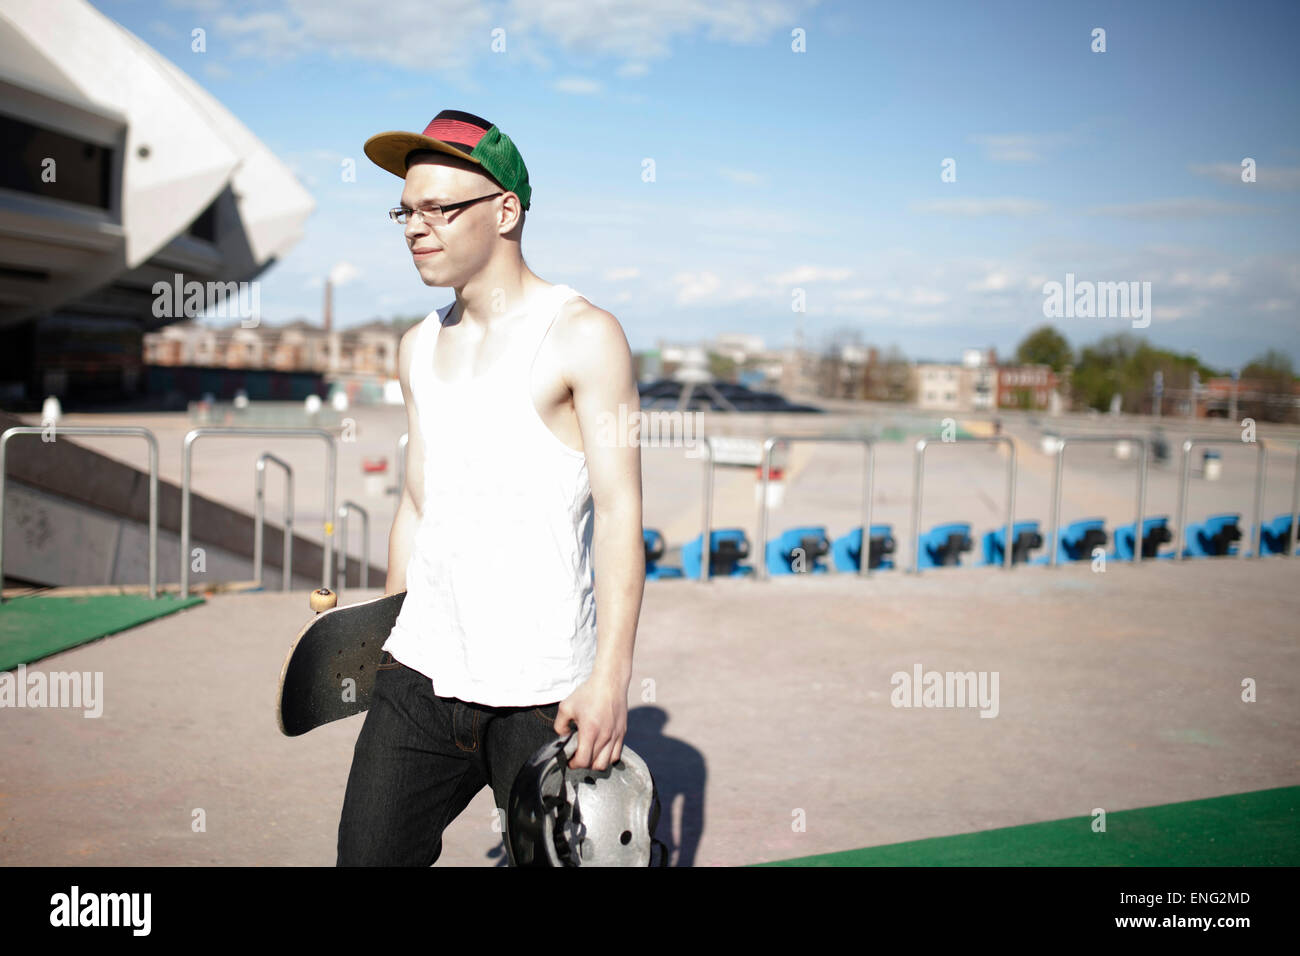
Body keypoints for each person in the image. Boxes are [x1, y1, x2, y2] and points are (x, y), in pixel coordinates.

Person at [337, 110, 645, 866]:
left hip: (543, 693)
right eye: (406, 210)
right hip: (420, 677)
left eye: (440, 208)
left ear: (506, 210)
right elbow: (416, 503)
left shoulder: (583, 334)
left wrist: (610, 677)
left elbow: (620, 513)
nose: (416, 227)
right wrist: (384, 644)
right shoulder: (416, 345)